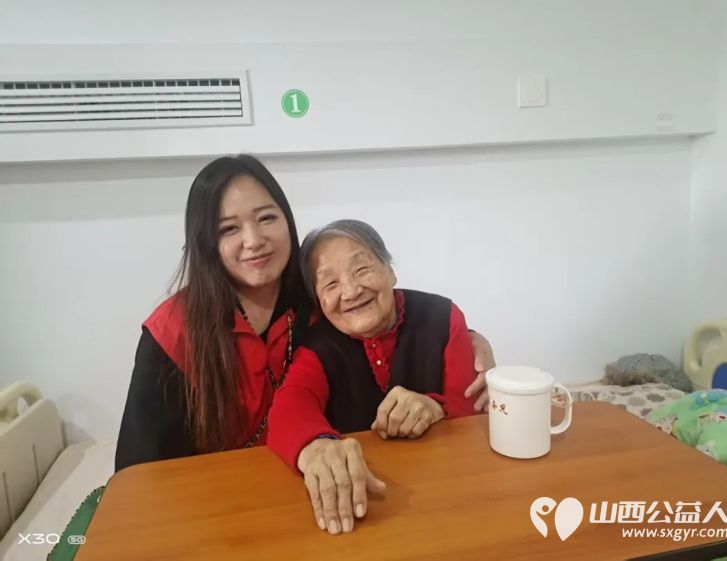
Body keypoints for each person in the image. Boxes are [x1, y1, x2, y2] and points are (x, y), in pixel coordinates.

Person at [115, 154, 494, 472]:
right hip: (215, 495)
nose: (254, 240)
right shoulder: (174, 330)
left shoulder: (316, 302)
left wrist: (467, 337)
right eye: (229, 229)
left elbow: (391, 318)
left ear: (287, 220)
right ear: (206, 243)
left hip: (310, 481)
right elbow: (141, 468)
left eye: (267, 218)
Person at [268, 219, 480, 536]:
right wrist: (317, 447)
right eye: (330, 283)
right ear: (319, 302)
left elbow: (471, 409)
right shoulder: (316, 346)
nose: (351, 291)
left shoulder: (443, 316)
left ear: (389, 271)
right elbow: (290, 407)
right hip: (363, 505)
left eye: (362, 269)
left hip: (447, 494)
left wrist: (436, 407)